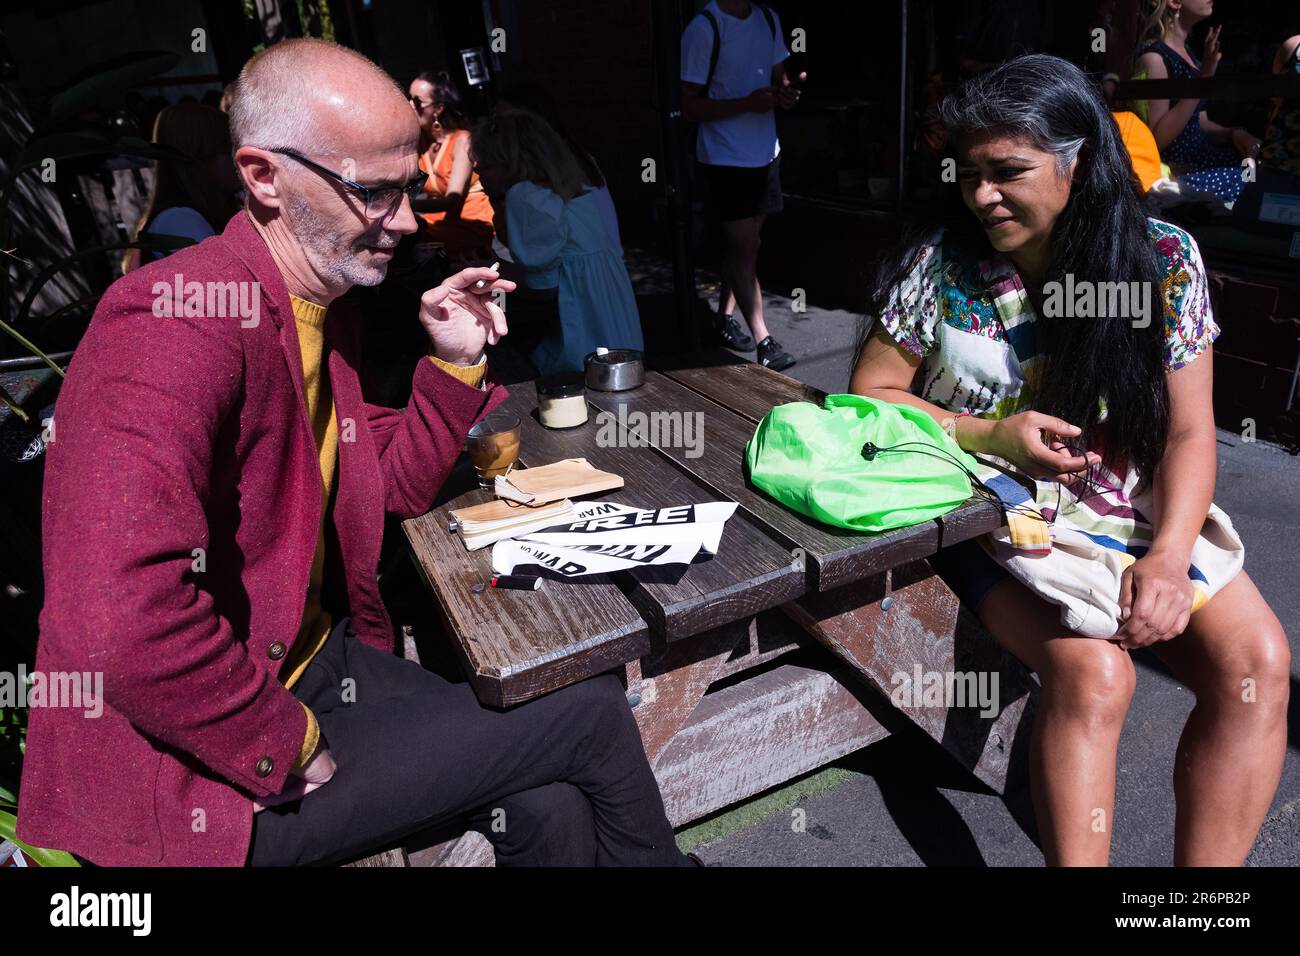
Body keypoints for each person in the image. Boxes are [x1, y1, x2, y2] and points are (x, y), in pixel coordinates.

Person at [17, 38, 694, 868]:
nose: (406, 220)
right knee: (589, 713)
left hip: (314, 664)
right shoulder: (172, 320)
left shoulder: (320, 306)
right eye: (373, 192)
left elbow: (393, 488)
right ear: (264, 176)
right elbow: (116, 620)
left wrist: (455, 360)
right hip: (189, 762)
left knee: (547, 805)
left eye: (408, 189)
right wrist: (280, 740)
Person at [849, 54, 1289, 866]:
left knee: (1257, 663)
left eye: (1008, 171)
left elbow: (1189, 433)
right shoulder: (940, 263)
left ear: (1077, 163)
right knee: (1096, 676)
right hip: (979, 512)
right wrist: (987, 434)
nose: (982, 195)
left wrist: (1168, 559)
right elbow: (870, 395)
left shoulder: (1162, 262)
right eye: (970, 174)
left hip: (1118, 502)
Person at [471, 107, 644, 377]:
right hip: (610, 314)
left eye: (485, 161)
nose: (477, 168)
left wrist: (491, 274)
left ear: (510, 161)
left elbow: (544, 288)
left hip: (581, 327)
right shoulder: (574, 187)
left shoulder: (526, 195)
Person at [680, 0, 800, 371]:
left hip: (766, 153)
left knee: (746, 247)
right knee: (745, 246)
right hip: (724, 157)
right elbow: (688, 105)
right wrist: (746, 104)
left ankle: (722, 318)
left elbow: (779, 79)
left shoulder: (768, 18)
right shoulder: (704, 28)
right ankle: (764, 340)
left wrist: (785, 93)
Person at [1134, 0, 1261, 202]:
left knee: (1260, 171)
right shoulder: (1154, 59)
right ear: (1174, 2)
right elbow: (1156, 140)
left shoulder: (1189, 55)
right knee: (1253, 188)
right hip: (1180, 174)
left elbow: (1199, 121)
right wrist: (1202, 81)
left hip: (1205, 159)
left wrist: (1233, 133)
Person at [494, 79, 622, 252]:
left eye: (504, 124)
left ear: (530, 124)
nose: (499, 133)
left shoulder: (545, 172)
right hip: (606, 261)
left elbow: (539, 252)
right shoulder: (577, 157)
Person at [123, 102, 242, 271]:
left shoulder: (183, 215)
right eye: (228, 149)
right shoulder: (179, 220)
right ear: (198, 158)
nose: (239, 159)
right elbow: (225, 280)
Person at [407, 70, 495, 262]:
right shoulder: (420, 143)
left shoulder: (462, 141)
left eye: (417, 101)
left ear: (438, 108)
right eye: (409, 99)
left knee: (411, 239)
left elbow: (450, 201)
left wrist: (405, 203)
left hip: (469, 223)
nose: (410, 105)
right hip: (440, 222)